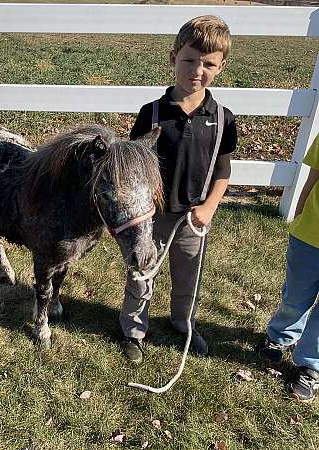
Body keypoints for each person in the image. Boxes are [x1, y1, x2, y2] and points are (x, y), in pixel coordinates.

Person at [121, 15, 237, 364]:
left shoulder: (223, 118)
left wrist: (209, 208)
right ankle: (133, 330)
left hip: (193, 219)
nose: (197, 70)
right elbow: (135, 167)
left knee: (189, 276)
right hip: (152, 215)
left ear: (220, 67)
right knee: (142, 273)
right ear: (174, 58)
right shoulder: (152, 113)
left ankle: (182, 323)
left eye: (208, 64)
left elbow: (223, 170)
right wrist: (141, 207)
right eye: (189, 60)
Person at [257, 134, 319, 402]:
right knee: (295, 296)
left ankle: (310, 364)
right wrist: (301, 211)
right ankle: (280, 336)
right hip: (310, 235)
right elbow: (313, 177)